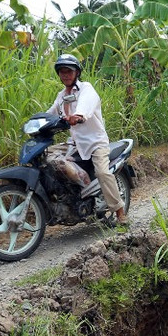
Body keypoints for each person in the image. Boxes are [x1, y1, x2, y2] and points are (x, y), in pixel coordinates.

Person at [46, 53, 127, 225]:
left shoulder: (86, 89)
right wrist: (37, 122)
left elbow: (86, 105)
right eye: (62, 71)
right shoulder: (61, 96)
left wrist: (78, 115)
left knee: (102, 172)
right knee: (45, 155)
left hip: (95, 143)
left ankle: (120, 212)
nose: (65, 75)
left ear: (76, 73)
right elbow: (50, 113)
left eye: (69, 71)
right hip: (74, 145)